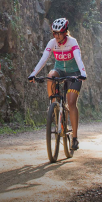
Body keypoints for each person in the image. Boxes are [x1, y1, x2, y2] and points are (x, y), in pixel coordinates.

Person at [28, 17, 87, 151]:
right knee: (50, 75)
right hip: (60, 71)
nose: (57, 36)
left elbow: (78, 58)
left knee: (71, 103)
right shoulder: (52, 43)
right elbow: (44, 59)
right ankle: (53, 105)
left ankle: (75, 138)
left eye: (60, 33)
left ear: (65, 32)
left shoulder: (72, 42)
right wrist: (33, 74)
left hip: (74, 73)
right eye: (55, 33)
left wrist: (83, 73)